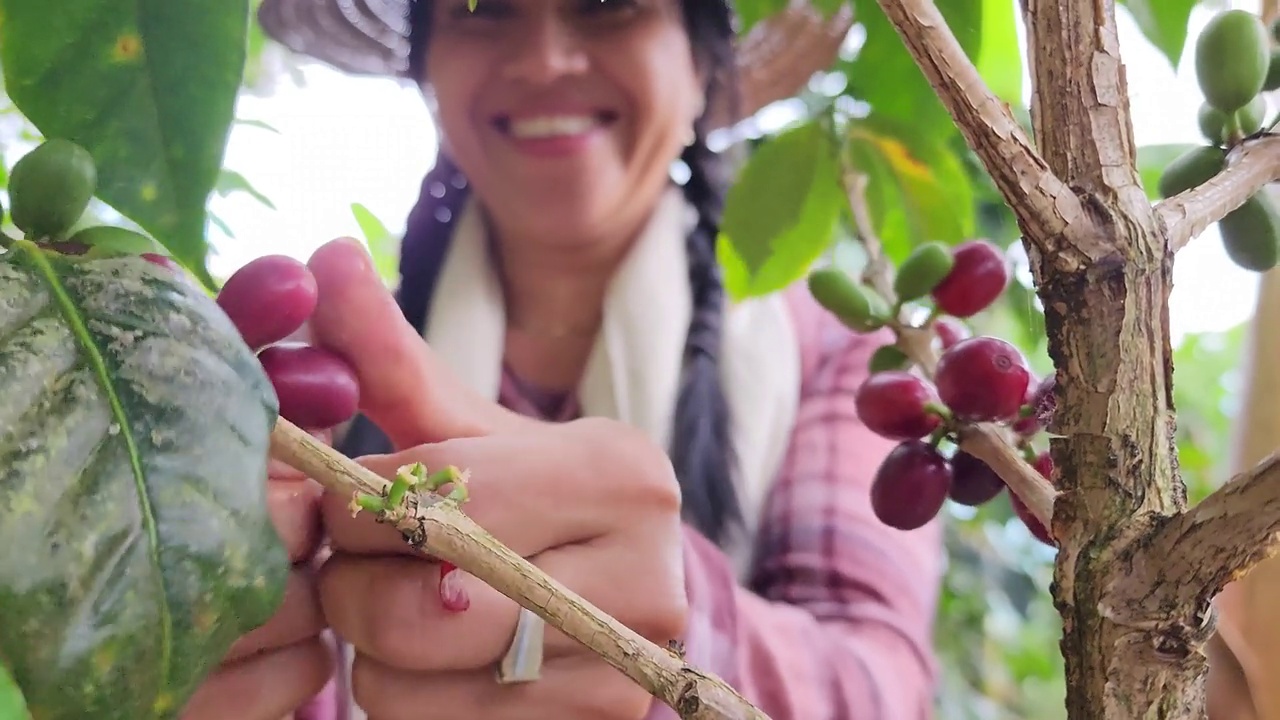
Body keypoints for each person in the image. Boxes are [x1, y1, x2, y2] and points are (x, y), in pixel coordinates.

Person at [181, 1, 945, 718]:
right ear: (427, 70)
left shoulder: (840, 353)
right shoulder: (314, 383)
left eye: (608, 1)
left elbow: (876, 685)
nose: (544, 61)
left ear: (701, 66)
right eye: (482, 7)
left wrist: (657, 625)